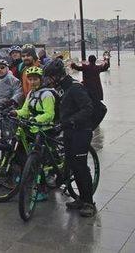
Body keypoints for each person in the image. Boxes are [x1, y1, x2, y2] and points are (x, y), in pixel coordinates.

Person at [43, 59, 97, 217]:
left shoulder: (75, 88)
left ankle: (88, 203)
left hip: (81, 131)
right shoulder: (62, 89)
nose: (48, 81)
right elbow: (64, 110)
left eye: (50, 77)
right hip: (69, 132)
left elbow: (88, 108)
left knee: (81, 167)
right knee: (72, 164)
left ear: (58, 76)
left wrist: (71, 121)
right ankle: (80, 198)